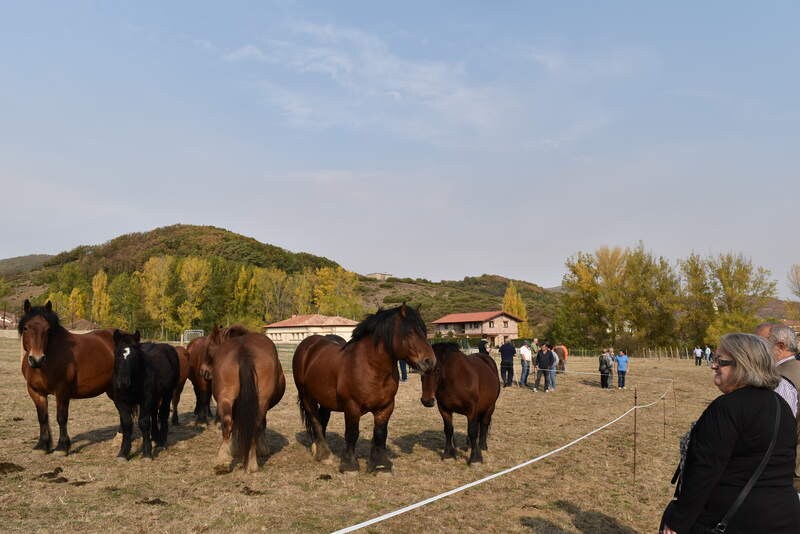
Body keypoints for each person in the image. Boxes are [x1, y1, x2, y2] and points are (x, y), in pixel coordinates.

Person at [661, 333, 800, 533]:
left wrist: (677, 522)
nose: (713, 365)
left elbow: (704, 471)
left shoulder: (727, 407)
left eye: (720, 361)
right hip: (784, 517)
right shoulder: (781, 406)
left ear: (742, 365)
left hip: (736, 520)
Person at [756, 323, 800, 495]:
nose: (755, 348)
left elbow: (774, 431)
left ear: (780, 347)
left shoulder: (781, 380)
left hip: (790, 477)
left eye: (760, 342)